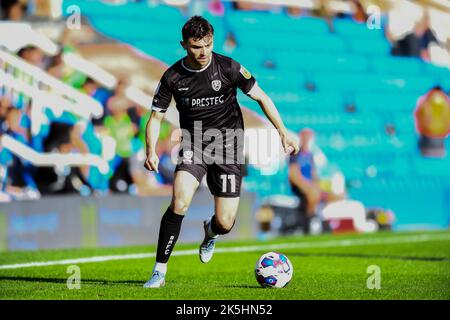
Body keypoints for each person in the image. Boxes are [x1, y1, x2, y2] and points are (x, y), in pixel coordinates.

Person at [143, 16, 299, 288]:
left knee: (225, 222)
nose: (203, 52)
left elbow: (262, 97)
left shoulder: (228, 67)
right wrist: (151, 151)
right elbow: (155, 117)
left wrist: (283, 131)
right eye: (195, 47)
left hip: (229, 148)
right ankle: (159, 272)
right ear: (184, 45)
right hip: (194, 145)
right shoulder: (173, 77)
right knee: (179, 201)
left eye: (208, 44)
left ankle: (211, 231)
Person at [288, 128, 344, 234]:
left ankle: (323, 219)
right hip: (300, 187)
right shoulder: (296, 154)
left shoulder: (310, 155)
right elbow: (294, 176)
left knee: (336, 195)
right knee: (314, 193)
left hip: (310, 185)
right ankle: (309, 221)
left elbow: (314, 174)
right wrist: (308, 187)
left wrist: (317, 186)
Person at [414, 86, 450, 158]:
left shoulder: (424, 100)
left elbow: (418, 115)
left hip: (427, 135)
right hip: (441, 135)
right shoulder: (446, 102)